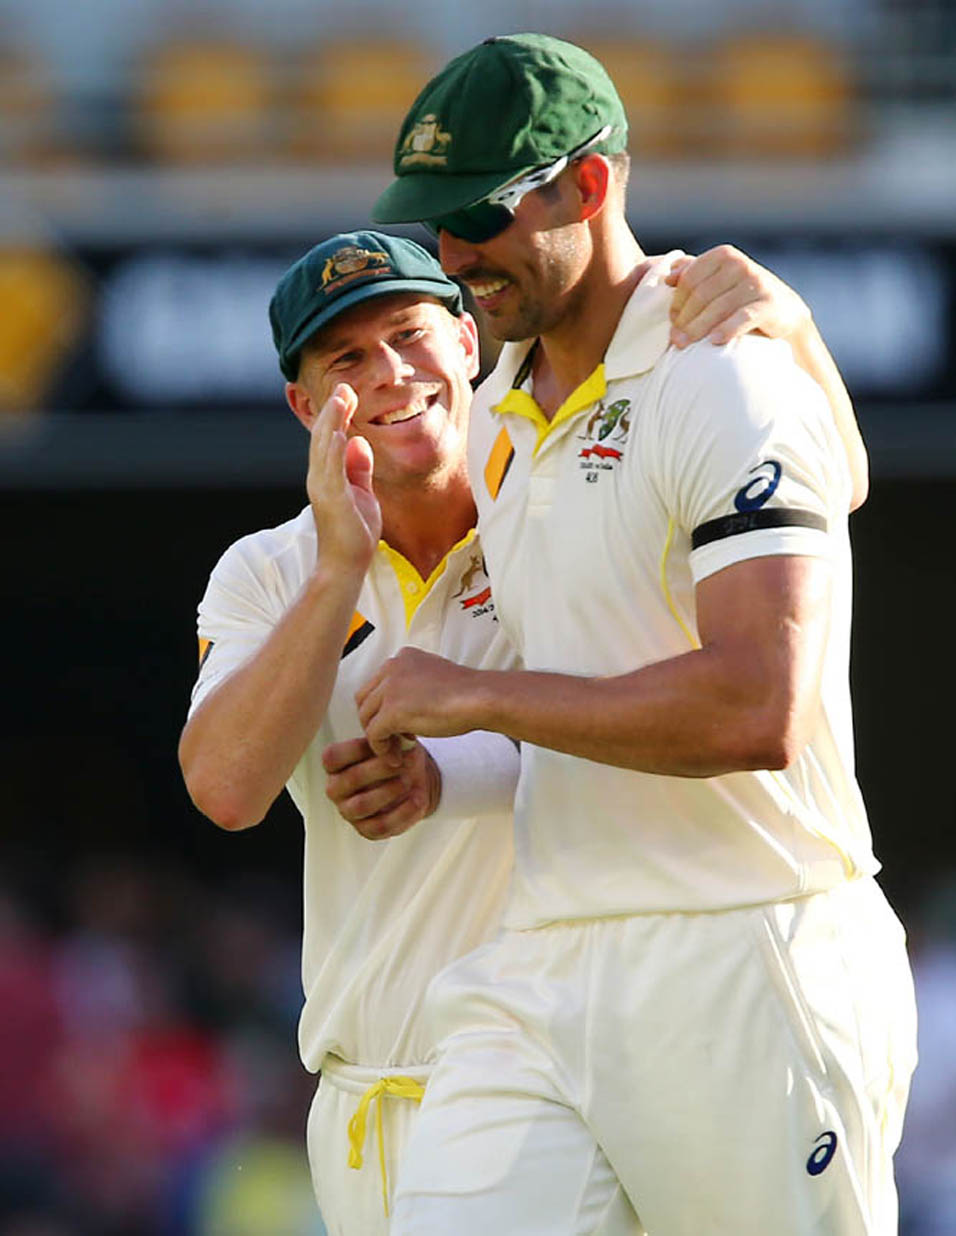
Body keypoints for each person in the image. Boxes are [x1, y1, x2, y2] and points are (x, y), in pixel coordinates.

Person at [177, 228, 874, 1234]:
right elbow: (227, 788)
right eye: (347, 360)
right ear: (302, 407)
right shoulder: (267, 571)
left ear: (467, 341)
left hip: (595, 1064)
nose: (392, 375)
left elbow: (819, 493)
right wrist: (339, 565)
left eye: (412, 335)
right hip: (378, 1086)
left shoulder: (557, 495)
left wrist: (795, 333)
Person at [362, 33, 917, 1236]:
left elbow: (754, 709)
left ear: (591, 184)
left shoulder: (725, 368)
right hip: (547, 957)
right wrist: (439, 775)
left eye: (482, 214)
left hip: (750, 946)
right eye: (434, 225)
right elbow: (589, 695)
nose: (456, 256)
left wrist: (474, 696)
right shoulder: (501, 415)